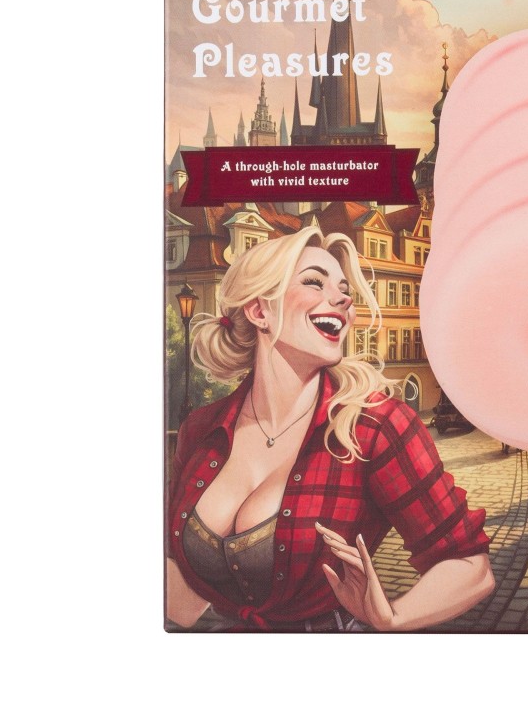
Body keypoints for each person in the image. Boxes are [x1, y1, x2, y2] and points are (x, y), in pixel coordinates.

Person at [166, 225, 493, 632]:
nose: (343, 299)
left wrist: (393, 617)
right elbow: (181, 597)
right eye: (313, 282)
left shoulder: (375, 426)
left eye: (344, 290)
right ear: (259, 311)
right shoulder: (200, 429)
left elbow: (470, 565)